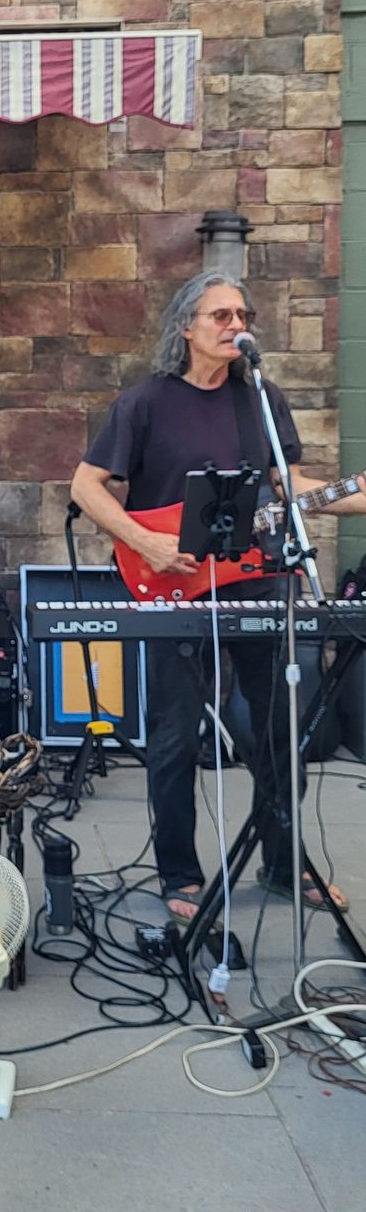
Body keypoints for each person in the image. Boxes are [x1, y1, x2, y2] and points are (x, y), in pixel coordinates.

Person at [70, 271, 361, 922]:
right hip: (169, 583)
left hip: (256, 579)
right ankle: (180, 874)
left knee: (279, 729)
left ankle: (284, 864)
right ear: (186, 327)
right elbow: (86, 485)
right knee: (175, 735)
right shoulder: (145, 403)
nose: (236, 325)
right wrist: (143, 542)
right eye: (221, 315)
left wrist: (352, 495)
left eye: (243, 315)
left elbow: (287, 486)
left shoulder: (260, 397)